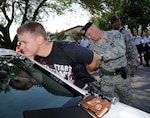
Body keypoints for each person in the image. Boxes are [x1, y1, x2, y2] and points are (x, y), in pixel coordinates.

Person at [16, 21, 100, 89]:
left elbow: (95, 58)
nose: (21, 46)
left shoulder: (68, 49)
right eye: (20, 43)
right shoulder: (36, 60)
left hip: (85, 95)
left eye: (25, 42)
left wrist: (86, 73)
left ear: (39, 40)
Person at [80, 22, 132, 105]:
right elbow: (90, 60)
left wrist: (102, 56)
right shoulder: (91, 45)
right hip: (106, 79)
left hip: (122, 77)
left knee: (127, 102)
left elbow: (121, 49)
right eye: (87, 36)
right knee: (107, 103)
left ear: (94, 28)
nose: (89, 37)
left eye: (89, 34)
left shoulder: (114, 34)